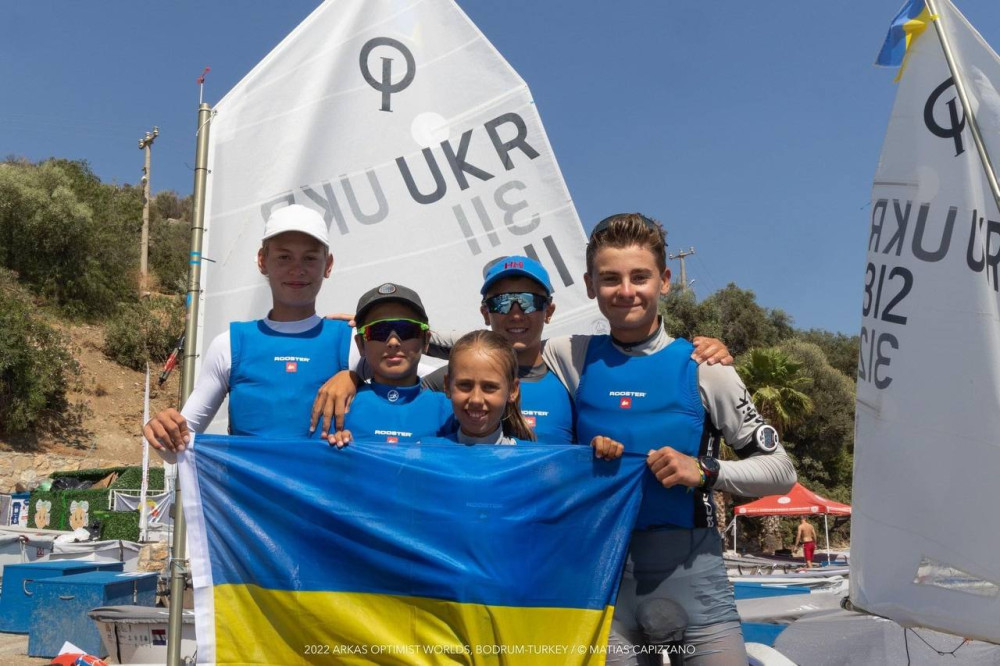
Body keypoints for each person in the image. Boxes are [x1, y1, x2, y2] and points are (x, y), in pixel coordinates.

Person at [543, 213, 797, 666]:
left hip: (694, 580)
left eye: (640, 277)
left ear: (663, 281)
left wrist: (702, 471)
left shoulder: (706, 367)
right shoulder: (570, 355)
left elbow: (781, 471)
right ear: (589, 285)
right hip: (606, 583)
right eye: (610, 278)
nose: (626, 291)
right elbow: (481, 353)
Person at [310, 256, 733, 442]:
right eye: (502, 303)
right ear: (485, 312)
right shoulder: (448, 384)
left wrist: (696, 351)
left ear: (549, 310)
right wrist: (353, 376)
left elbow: (638, 360)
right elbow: (399, 389)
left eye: (529, 301)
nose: (515, 313)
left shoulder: (574, 370)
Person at [142, 204, 354, 454]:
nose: (297, 269)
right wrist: (163, 430)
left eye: (310, 258)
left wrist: (357, 375)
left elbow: (397, 408)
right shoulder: (229, 344)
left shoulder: (354, 341)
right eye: (284, 257)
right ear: (262, 261)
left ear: (328, 265)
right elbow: (174, 450)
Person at [327, 282, 453, 447]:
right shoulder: (338, 405)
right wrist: (337, 450)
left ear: (426, 341)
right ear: (360, 344)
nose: (393, 342)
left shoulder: (452, 412)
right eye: (378, 331)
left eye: (406, 330)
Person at [441, 330, 534, 446]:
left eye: (490, 387)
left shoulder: (533, 456)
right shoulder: (425, 452)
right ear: (447, 385)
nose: (476, 399)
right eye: (465, 385)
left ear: (513, 390)